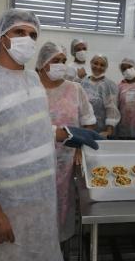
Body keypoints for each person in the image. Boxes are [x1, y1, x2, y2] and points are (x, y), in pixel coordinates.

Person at [0, 9, 102, 261]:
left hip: (41, 196)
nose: (27, 38)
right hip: (7, 201)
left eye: (32, 34)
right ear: (2, 36)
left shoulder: (33, 81)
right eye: (19, 32)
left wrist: (63, 134)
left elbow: (29, 127)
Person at [35, 42, 97, 244]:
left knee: (64, 205)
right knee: (37, 207)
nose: (61, 64)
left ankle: (61, 246)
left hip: (68, 162)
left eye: (63, 60)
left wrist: (81, 150)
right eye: (55, 61)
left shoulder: (75, 89)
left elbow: (89, 122)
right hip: (34, 161)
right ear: (43, 63)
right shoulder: (31, 88)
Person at [81, 54, 121, 138]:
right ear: (91, 64)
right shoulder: (83, 83)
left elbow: (112, 109)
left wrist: (108, 131)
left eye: (102, 65)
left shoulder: (109, 85)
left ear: (106, 68)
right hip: (83, 128)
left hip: (101, 131)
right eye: (96, 63)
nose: (98, 67)